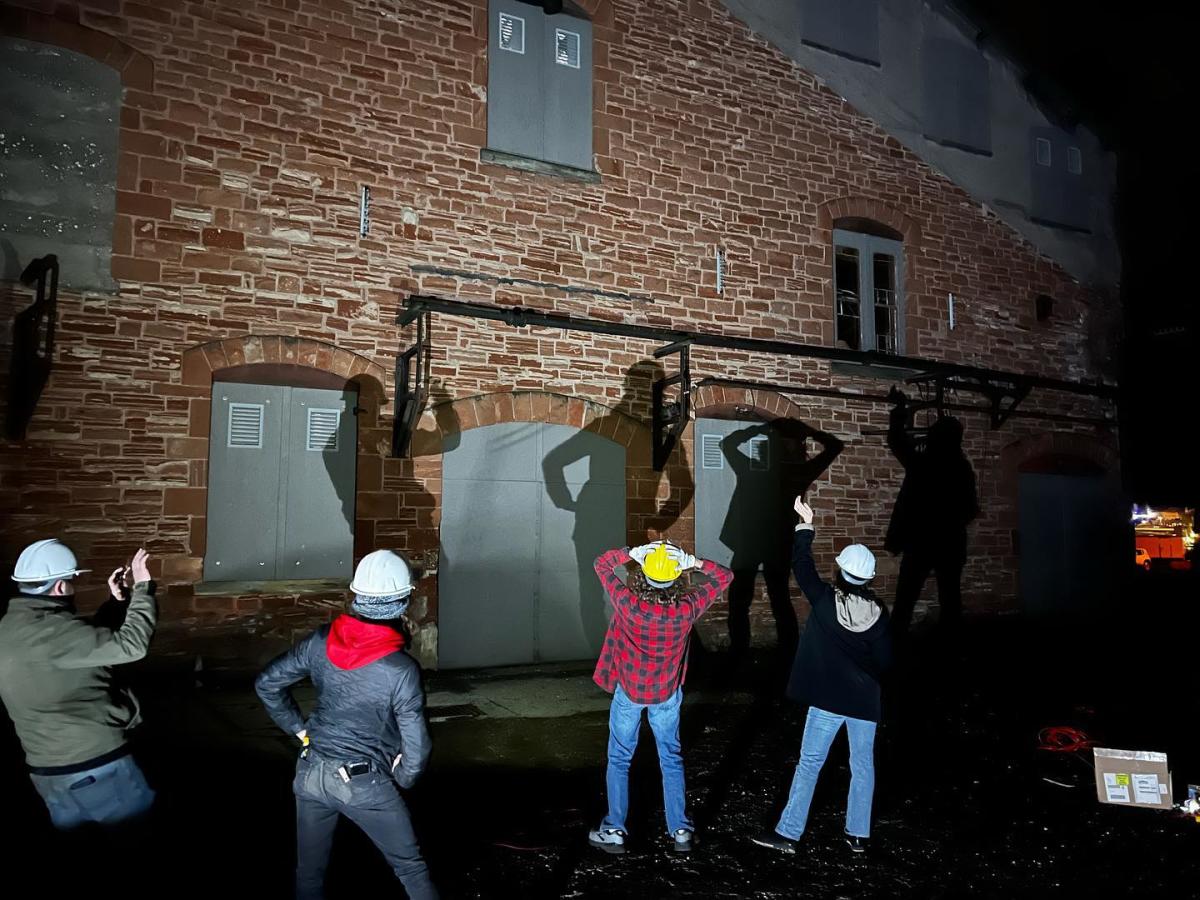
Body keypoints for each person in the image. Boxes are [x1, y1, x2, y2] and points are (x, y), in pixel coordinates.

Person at [256, 549, 437, 900]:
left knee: (309, 874)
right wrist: (402, 776)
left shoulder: (319, 642)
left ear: (357, 596)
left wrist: (300, 730)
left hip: (310, 773)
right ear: (402, 602)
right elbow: (417, 750)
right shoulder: (400, 670)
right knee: (411, 870)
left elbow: (267, 683)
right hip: (363, 783)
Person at [752, 499, 893, 855]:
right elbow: (886, 659)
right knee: (863, 766)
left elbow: (802, 566)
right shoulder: (879, 613)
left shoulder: (825, 600)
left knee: (811, 763)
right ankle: (858, 836)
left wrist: (806, 525)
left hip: (829, 698)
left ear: (842, 571)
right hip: (865, 700)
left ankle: (789, 834)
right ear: (868, 577)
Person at [0, 540, 157, 831]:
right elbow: (132, 646)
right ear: (60, 587)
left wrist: (116, 604)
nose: (74, 586)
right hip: (95, 766)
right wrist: (143, 589)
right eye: (73, 581)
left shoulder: (13, 627)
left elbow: (80, 648)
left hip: (48, 771)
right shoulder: (53, 632)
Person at [588, 541, 733, 855]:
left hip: (629, 691)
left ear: (643, 575)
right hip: (666, 693)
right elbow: (725, 577)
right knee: (670, 757)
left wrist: (631, 553)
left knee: (619, 758)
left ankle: (614, 828)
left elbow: (601, 564)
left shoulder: (627, 604)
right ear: (677, 577)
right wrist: (693, 561)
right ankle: (680, 829)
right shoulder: (686, 609)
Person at [885, 389, 979, 636]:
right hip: (948, 543)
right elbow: (970, 508)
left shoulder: (924, 464)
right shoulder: (961, 469)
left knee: (906, 599)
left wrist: (899, 412)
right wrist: (950, 523)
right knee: (950, 599)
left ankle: (893, 648)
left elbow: (897, 442)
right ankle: (949, 646)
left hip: (921, 542)